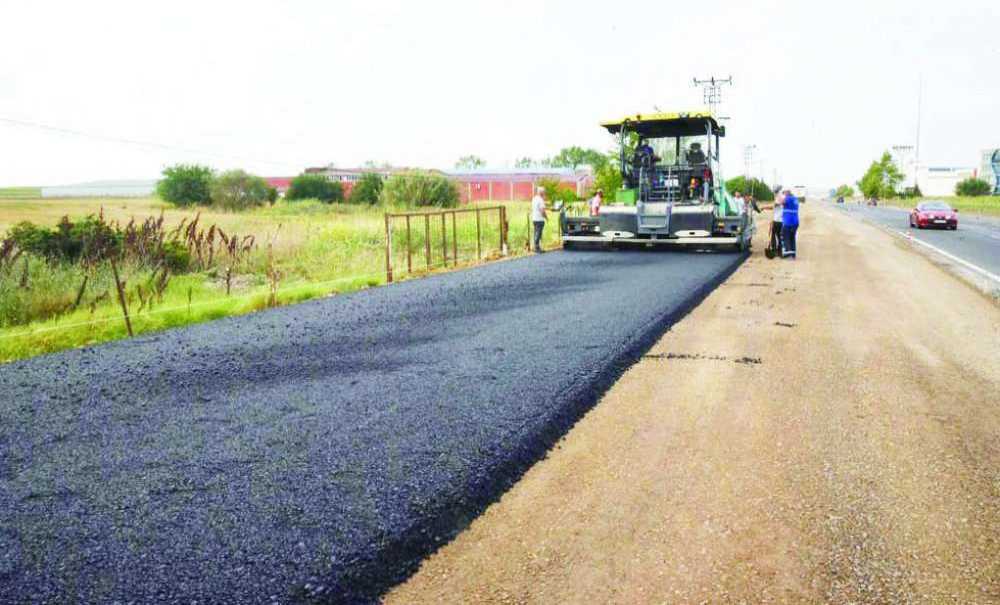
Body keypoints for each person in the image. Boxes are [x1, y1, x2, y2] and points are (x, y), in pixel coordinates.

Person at [781, 189, 799, 259]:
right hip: (795, 222)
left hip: (788, 222)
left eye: (784, 193)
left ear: (787, 193)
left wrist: (779, 196)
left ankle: (788, 255)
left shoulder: (788, 198)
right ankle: (793, 254)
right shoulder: (795, 199)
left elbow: (781, 202)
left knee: (786, 237)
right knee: (792, 238)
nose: (784, 195)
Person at [531, 186, 548, 253]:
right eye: (544, 192)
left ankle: (535, 247)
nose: (545, 193)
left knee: (536, 233)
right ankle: (537, 248)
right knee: (538, 233)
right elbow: (542, 211)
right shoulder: (540, 200)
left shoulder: (534, 198)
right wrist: (546, 217)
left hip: (534, 218)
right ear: (541, 192)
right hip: (539, 219)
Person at [769, 190, 784, 255]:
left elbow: (772, 207)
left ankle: (775, 250)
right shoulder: (781, 199)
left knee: (773, 236)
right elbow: (775, 210)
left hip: (778, 221)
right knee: (779, 236)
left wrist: (763, 207)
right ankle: (779, 251)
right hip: (780, 221)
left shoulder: (779, 199)